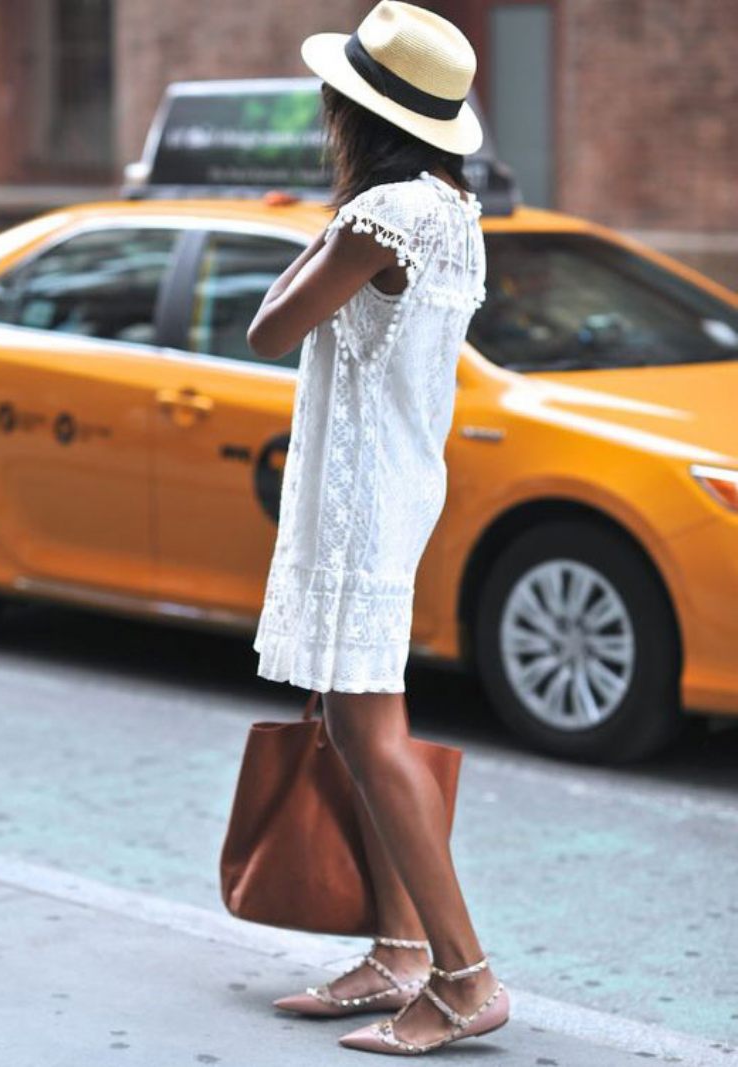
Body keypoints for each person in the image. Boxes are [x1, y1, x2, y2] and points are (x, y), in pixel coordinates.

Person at [248, 0, 507, 1055]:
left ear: (358, 111)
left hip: (359, 492)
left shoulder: (376, 218)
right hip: (396, 481)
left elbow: (270, 325)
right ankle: (400, 950)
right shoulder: (450, 209)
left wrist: (324, 224)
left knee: (366, 724)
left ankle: (463, 975)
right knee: (358, 715)